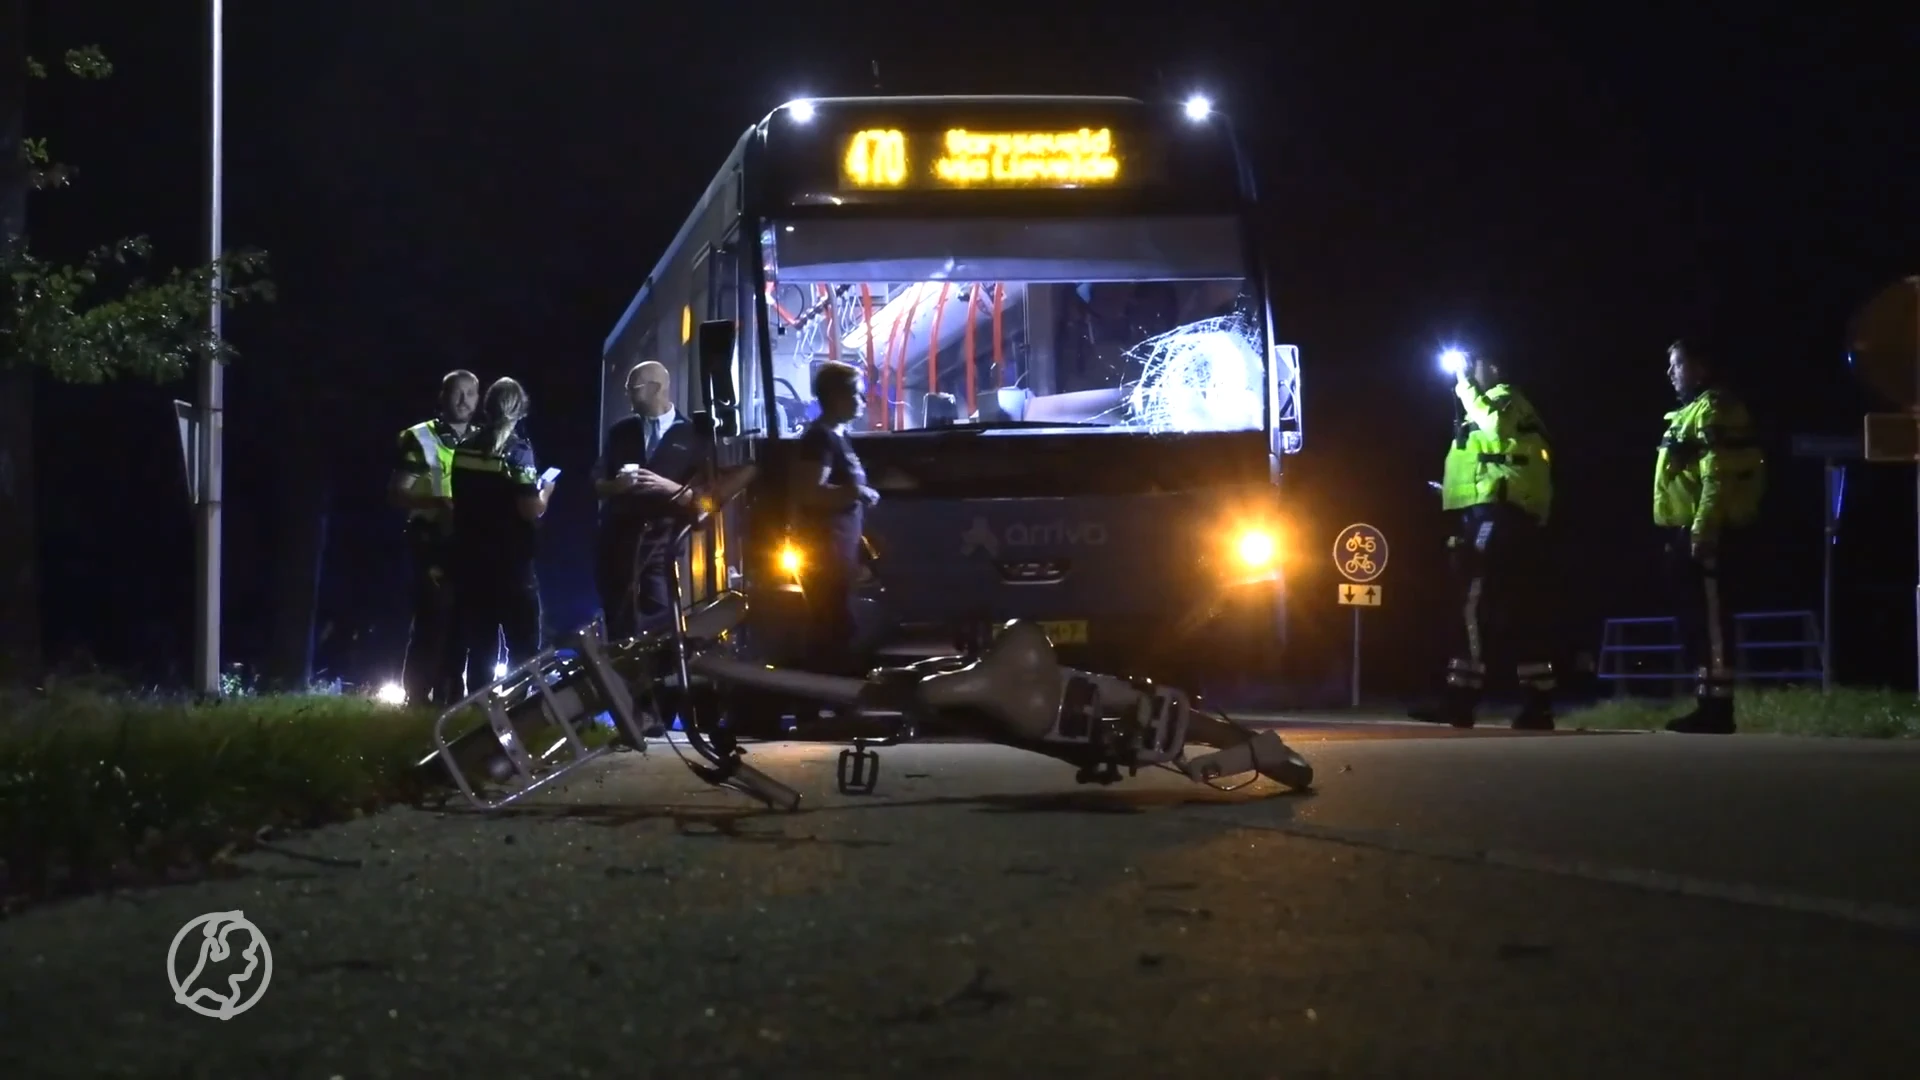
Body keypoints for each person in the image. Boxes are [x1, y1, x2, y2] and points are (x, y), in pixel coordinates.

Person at [1410, 350, 1556, 729]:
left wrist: (1464, 383)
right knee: (1515, 609)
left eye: (1473, 364)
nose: (1467, 371)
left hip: (1498, 515)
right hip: (1497, 514)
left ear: (1492, 367)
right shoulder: (1506, 405)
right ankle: (1537, 704)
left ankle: (1460, 700)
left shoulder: (1504, 399)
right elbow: (1491, 459)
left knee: (1473, 602)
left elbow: (1494, 429)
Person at [1655, 337, 1766, 734]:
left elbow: (1717, 475)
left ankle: (1718, 708)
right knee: (1696, 621)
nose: (1670, 372)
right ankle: (1707, 702)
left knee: (1713, 620)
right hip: (1685, 530)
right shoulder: (1690, 412)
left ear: (1700, 367)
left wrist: (1704, 528)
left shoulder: (1714, 409)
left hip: (1705, 531)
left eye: (1678, 363)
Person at [447, 377, 554, 695]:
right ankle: (518, 708)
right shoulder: (518, 451)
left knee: (480, 642)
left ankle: (476, 707)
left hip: (471, 557)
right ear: (521, 410)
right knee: (523, 643)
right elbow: (530, 509)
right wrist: (546, 492)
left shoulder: (463, 448)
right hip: (512, 562)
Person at [592, 360, 707, 640]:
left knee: (660, 626)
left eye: (633, 388)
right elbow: (596, 483)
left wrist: (672, 489)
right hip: (618, 548)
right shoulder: (621, 432)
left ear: (656, 388)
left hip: (662, 547)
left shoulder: (693, 435)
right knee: (619, 626)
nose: (627, 394)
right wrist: (616, 486)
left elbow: (705, 498)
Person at [387, 369, 478, 707]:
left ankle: (451, 696)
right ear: (443, 396)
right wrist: (437, 503)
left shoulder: (483, 440)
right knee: (433, 615)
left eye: (471, 393)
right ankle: (416, 696)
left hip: (469, 541)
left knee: (463, 620)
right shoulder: (420, 437)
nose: (464, 400)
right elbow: (397, 493)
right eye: (457, 392)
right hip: (431, 539)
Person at [788, 361, 880, 676]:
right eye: (857, 394)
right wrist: (856, 491)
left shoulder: (839, 436)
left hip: (840, 552)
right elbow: (809, 492)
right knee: (831, 627)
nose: (863, 401)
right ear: (837, 397)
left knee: (838, 625)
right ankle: (826, 693)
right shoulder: (820, 439)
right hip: (823, 553)